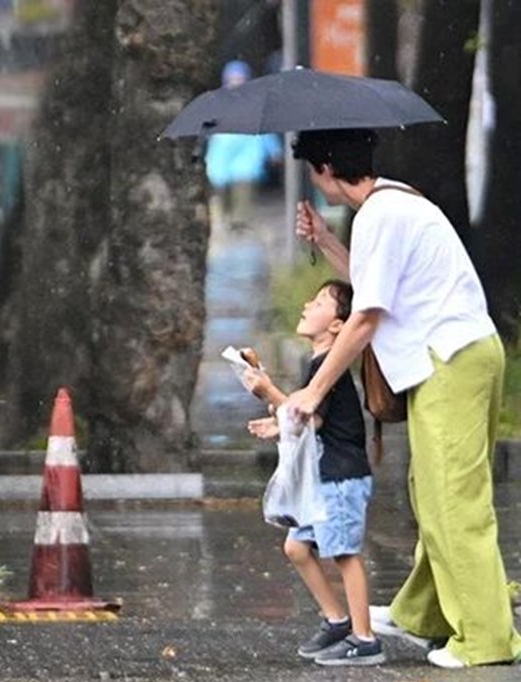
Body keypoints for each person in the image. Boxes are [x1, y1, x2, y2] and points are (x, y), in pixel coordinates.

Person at [286, 128, 521, 669]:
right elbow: (375, 288)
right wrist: (324, 240)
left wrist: (315, 390)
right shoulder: (390, 202)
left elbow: (365, 317)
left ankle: (486, 640)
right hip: (458, 354)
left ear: (324, 168)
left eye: (311, 170)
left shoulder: (381, 215)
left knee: (453, 500)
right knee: (431, 490)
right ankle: (425, 613)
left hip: (450, 361)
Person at [244, 279, 382, 666]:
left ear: (338, 325)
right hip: (324, 476)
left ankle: (365, 637)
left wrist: (269, 391)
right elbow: (314, 418)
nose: (307, 304)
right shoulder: (319, 364)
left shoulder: (329, 366)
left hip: (341, 476)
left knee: (344, 553)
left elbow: (307, 413)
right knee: (296, 547)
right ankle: (338, 621)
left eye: (320, 301)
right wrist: (276, 421)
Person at [204, 60, 283, 232]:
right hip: (220, 166)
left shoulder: (254, 107)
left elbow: (264, 132)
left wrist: (274, 151)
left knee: (243, 200)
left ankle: (239, 229)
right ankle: (226, 225)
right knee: (222, 202)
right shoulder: (218, 105)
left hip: (246, 165)